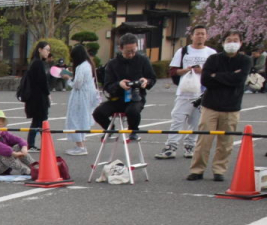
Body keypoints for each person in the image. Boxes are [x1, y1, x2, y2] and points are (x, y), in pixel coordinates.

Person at [188, 30, 252, 182]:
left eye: (235, 40)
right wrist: (229, 75)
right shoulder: (213, 59)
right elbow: (205, 80)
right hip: (210, 105)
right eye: (229, 40)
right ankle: (197, 169)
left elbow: (239, 80)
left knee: (226, 142)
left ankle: (219, 170)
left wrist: (217, 76)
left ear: (241, 43)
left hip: (232, 106)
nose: (232, 43)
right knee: (204, 140)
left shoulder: (245, 60)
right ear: (223, 43)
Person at [155, 26, 216, 160]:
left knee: (196, 122)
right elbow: (173, 71)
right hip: (185, 92)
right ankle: (171, 146)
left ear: (206, 36)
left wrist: (203, 71)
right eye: (197, 34)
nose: (200, 36)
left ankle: (190, 145)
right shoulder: (183, 51)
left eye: (202, 34)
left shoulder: (211, 53)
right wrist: (187, 70)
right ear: (192, 36)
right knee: (178, 118)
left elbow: (216, 73)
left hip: (203, 93)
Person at [93, 34, 156, 143]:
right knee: (98, 112)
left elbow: (152, 78)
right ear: (120, 48)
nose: (131, 54)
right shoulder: (112, 64)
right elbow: (107, 86)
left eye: (134, 50)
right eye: (128, 51)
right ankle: (110, 129)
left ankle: (134, 131)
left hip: (136, 97)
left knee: (133, 111)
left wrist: (146, 82)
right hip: (117, 98)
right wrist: (119, 84)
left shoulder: (143, 60)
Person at [64, 43, 98, 156]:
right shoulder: (88, 64)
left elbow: (77, 84)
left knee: (75, 120)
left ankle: (80, 146)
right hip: (88, 96)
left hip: (80, 97)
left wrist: (68, 79)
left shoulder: (81, 66)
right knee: (83, 119)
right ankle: (81, 144)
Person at [20, 41, 54, 150]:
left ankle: (33, 143)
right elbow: (42, 81)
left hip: (35, 97)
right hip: (38, 98)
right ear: (39, 49)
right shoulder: (38, 63)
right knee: (41, 120)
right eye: (46, 49)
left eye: (49, 50)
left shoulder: (36, 62)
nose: (48, 52)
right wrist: (48, 94)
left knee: (38, 121)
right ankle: (38, 144)